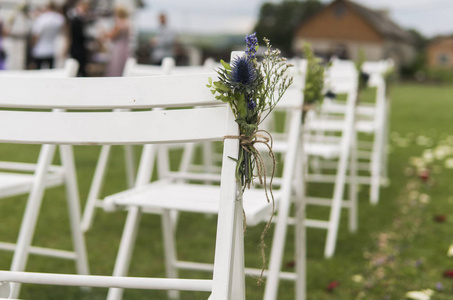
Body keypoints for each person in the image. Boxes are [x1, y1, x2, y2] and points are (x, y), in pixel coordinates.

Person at [31, 2, 64, 69]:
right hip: (52, 49)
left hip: (40, 49)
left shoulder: (41, 18)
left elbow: (36, 35)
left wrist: (32, 45)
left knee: (37, 71)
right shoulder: (59, 18)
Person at [103, 6, 130, 77]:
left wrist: (103, 32)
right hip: (125, 48)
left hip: (118, 49)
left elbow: (111, 36)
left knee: (116, 68)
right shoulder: (127, 23)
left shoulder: (119, 24)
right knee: (123, 68)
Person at [67, 0, 89, 76]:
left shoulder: (78, 20)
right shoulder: (76, 21)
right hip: (78, 48)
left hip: (78, 48)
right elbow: (79, 36)